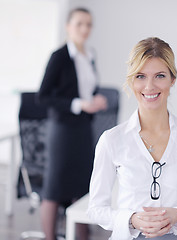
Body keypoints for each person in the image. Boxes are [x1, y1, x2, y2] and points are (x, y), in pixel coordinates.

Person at [87, 37, 177, 239]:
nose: (149, 86)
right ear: (131, 80)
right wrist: (132, 219)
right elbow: (96, 208)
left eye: (159, 76)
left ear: (172, 79)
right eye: (140, 76)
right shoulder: (111, 140)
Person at [38, 8, 107, 240]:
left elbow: (88, 88)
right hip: (63, 130)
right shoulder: (59, 56)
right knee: (55, 187)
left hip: (83, 129)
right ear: (68, 26)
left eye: (88, 24)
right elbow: (43, 96)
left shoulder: (90, 54)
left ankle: (81, 237)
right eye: (79, 24)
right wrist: (79, 104)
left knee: (82, 187)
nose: (85, 29)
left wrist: (96, 100)